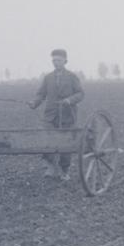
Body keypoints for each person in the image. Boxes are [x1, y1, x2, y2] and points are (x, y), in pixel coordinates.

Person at [28, 49, 85, 180]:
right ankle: (50, 167)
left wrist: (69, 100)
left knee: (65, 144)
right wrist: (34, 103)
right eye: (53, 60)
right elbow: (41, 94)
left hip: (67, 116)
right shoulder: (48, 78)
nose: (55, 63)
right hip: (50, 115)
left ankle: (64, 170)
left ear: (65, 61)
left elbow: (80, 94)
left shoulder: (72, 77)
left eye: (58, 60)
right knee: (47, 140)